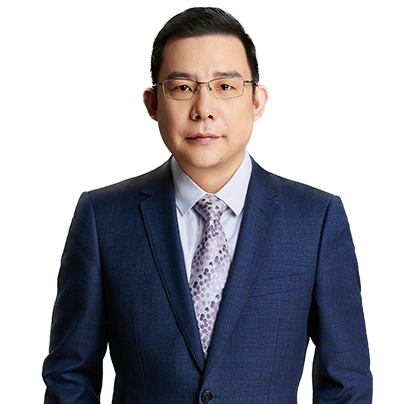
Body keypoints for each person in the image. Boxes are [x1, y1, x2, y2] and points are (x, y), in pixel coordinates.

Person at [42, 7, 372, 403]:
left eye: (225, 86)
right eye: (183, 87)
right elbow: (69, 376)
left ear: (257, 102)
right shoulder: (103, 219)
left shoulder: (315, 220)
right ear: (152, 103)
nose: (203, 109)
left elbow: (346, 384)